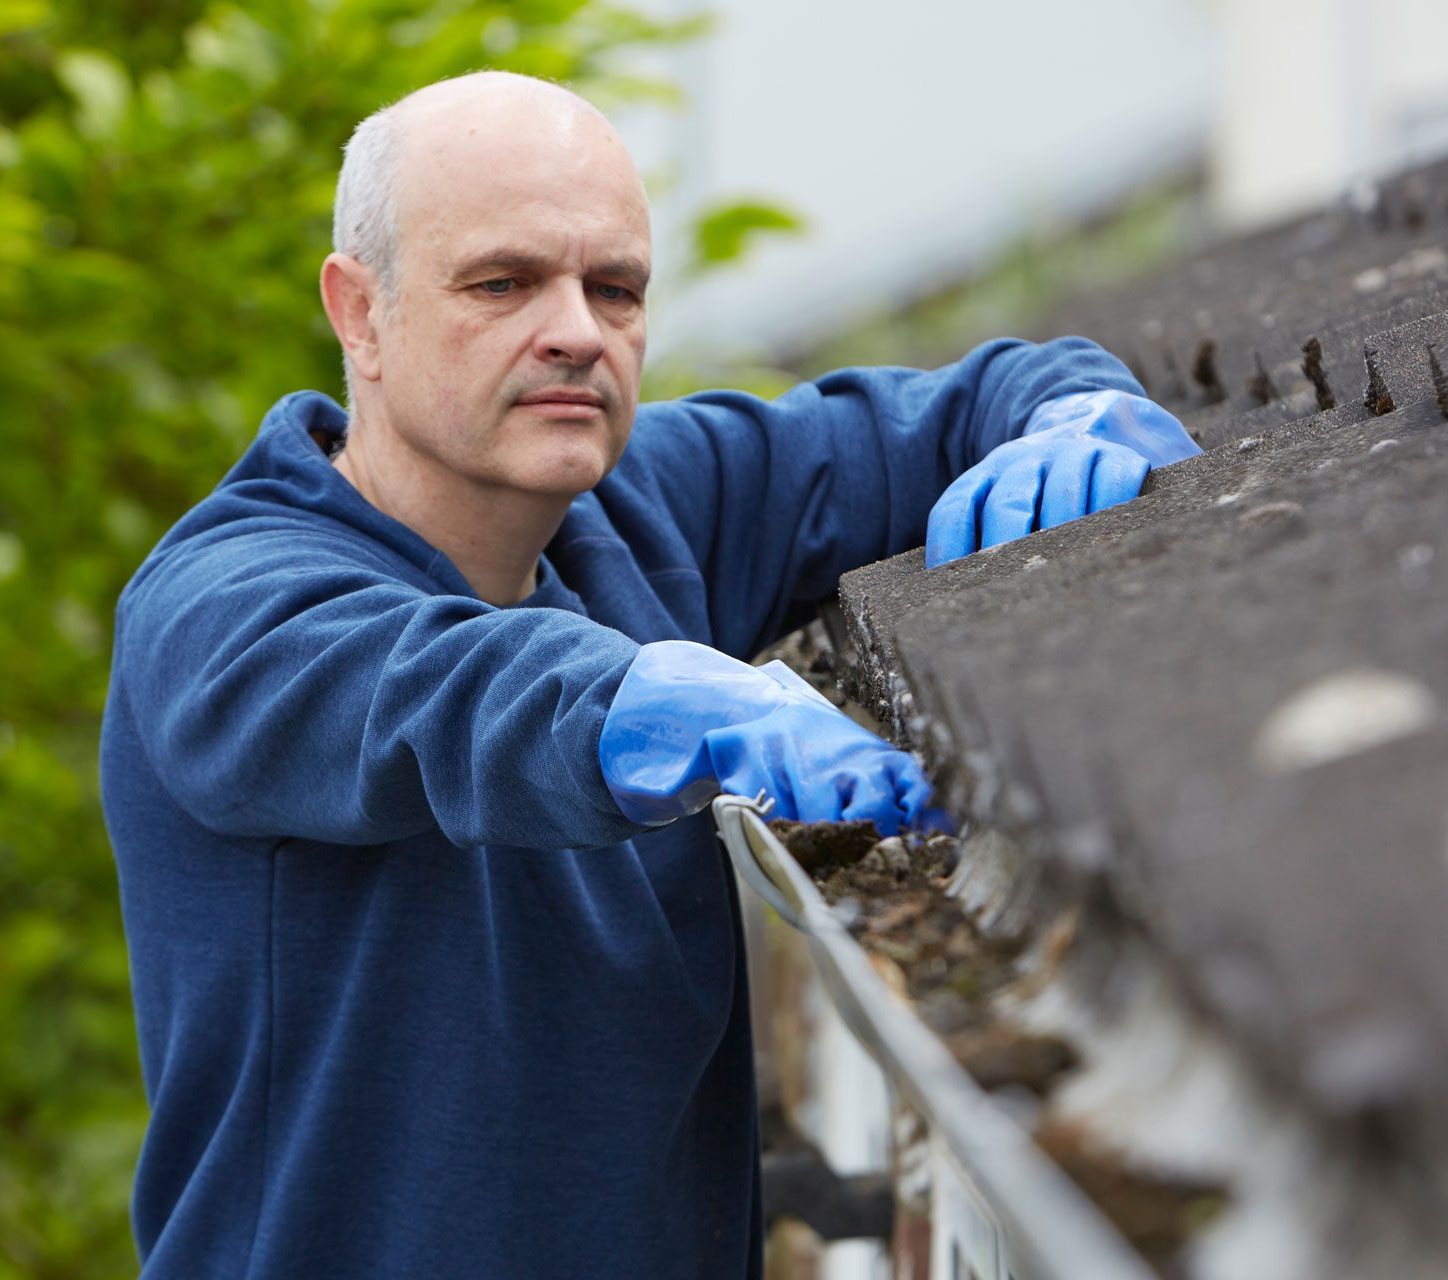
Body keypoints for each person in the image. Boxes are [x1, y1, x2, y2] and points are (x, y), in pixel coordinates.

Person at [99, 71, 1199, 1278]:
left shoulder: (645, 512)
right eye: (504, 282)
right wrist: (636, 701)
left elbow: (961, 404)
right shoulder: (221, 609)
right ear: (359, 312)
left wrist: (1080, 407)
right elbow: (429, 687)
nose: (576, 327)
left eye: (613, 286)